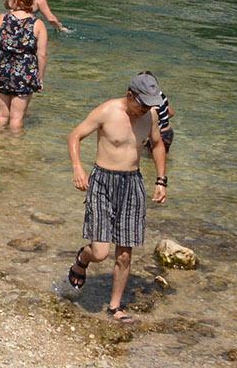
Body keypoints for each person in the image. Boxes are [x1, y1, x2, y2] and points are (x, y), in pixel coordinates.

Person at [64, 71, 170, 324]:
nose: (145, 109)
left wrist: (161, 179)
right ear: (129, 94)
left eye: (149, 105)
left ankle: (115, 307)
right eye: (141, 104)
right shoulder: (107, 110)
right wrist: (78, 167)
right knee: (100, 252)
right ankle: (82, 259)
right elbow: (75, 135)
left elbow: (157, 144)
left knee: (124, 253)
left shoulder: (150, 115)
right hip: (102, 181)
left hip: (132, 183)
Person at [0, 0, 47, 130]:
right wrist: (39, 77)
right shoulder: (38, 24)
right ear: (29, 3)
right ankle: (15, 149)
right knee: (17, 117)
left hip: (2, 69)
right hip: (25, 72)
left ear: (14, 1)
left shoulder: (1, 19)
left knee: (2, 115)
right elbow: (42, 55)